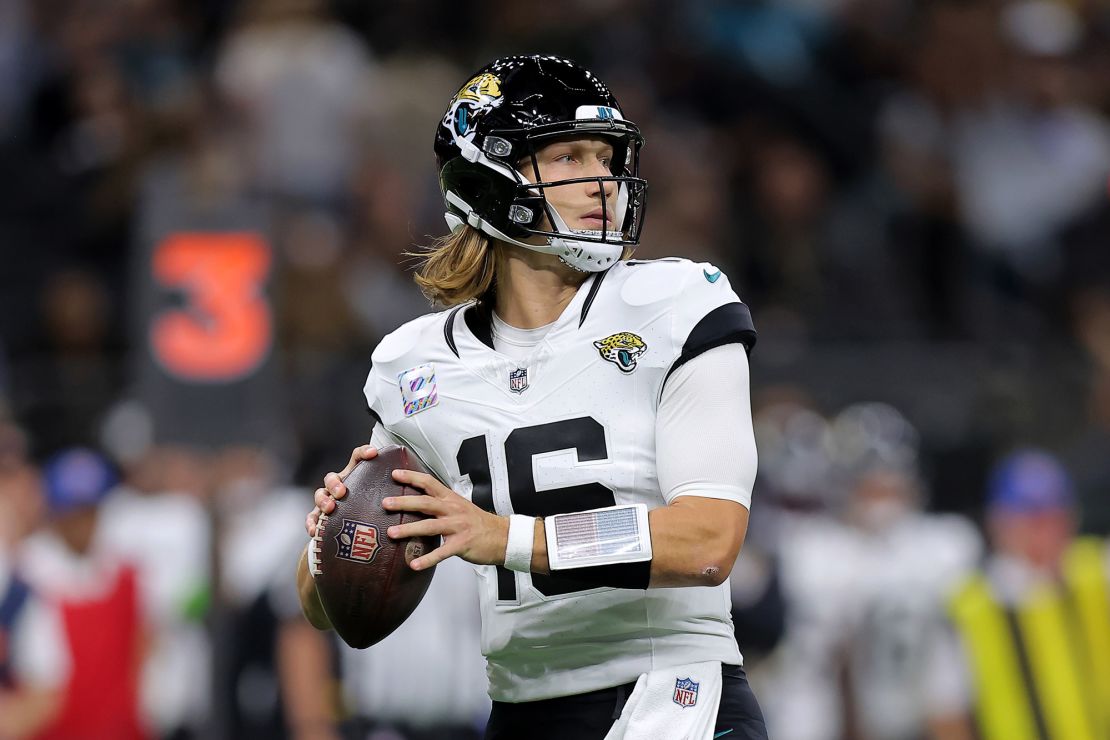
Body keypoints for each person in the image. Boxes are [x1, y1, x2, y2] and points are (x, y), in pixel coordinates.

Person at [296, 54, 766, 740]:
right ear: (490, 180)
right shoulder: (415, 366)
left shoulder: (677, 305)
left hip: (674, 697)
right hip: (521, 712)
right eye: (570, 157)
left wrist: (503, 535)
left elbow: (708, 541)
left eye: (607, 159)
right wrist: (329, 542)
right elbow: (329, 607)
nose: (603, 182)